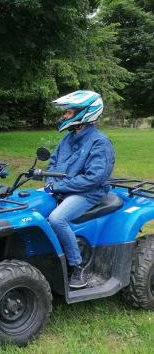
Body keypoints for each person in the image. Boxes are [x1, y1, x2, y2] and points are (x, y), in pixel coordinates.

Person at [45, 90, 115, 289]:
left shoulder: (100, 142)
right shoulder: (67, 138)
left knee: (57, 218)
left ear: (84, 113)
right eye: (65, 112)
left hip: (88, 192)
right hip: (64, 188)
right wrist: (50, 181)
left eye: (68, 112)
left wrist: (58, 186)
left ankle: (78, 267)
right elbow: (53, 163)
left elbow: (94, 178)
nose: (64, 116)